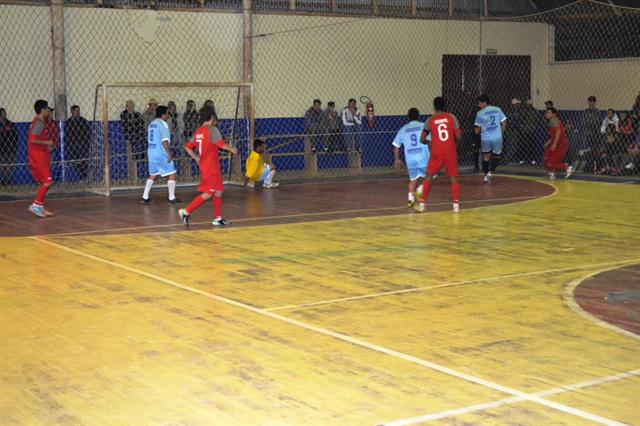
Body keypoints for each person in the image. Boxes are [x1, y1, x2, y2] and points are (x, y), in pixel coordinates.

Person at [179, 106, 238, 227]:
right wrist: (232, 149)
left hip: (208, 165)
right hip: (210, 167)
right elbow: (221, 145)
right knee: (208, 193)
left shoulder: (198, 131)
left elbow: (187, 147)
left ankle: (218, 218)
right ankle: (186, 211)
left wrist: (196, 158)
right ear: (212, 117)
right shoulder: (212, 129)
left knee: (218, 191)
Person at [416, 97, 461, 213]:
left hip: (436, 152)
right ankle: (455, 205)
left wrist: (429, 142)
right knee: (453, 179)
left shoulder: (430, 120)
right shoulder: (452, 118)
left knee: (428, 178)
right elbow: (459, 136)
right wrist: (454, 147)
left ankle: (422, 204)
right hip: (450, 151)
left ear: (434, 107)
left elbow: (422, 139)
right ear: (445, 105)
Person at [140, 105, 181, 204]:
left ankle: (145, 197)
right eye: (167, 114)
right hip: (160, 151)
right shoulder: (163, 124)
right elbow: (164, 141)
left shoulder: (152, 124)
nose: (168, 116)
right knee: (172, 173)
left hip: (151, 151)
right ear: (163, 115)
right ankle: (172, 197)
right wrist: (169, 154)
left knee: (153, 174)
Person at [392, 108, 429, 208]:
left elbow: (396, 145)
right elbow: (431, 140)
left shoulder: (403, 129)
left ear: (408, 117)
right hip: (423, 158)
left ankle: (411, 202)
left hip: (410, 159)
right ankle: (419, 190)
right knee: (430, 177)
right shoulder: (423, 126)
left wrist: (397, 159)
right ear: (418, 116)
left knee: (413, 180)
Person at [27, 100, 56, 217]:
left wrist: (47, 147)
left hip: (40, 154)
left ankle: (39, 206)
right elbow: (32, 140)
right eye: (48, 109)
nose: (49, 111)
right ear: (43, 110)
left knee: (43, 182)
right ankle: (35, 205)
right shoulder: (39, 123)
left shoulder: (40, 122)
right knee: (48, 182)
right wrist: (47, 142)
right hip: (38, 157)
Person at [474, 94, 506, 184]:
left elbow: (478, 129)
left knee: (486, 156)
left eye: (480, 103)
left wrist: (479, 130)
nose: (479, 105)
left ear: (484, 102)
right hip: (497, 137)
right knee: (497, 155)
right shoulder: (497, 109)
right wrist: (501, 133)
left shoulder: (479, 113)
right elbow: (504, 122)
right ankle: (490, 171)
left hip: (485, 138)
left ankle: (485, 175)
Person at [543, 107, 573, 179]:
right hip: (556, 144)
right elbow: (554, 135)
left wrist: (554, 144)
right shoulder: (552, 121)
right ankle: (551, 173)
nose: (546, 114)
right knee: (546, 158)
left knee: (550, 162)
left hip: (561, 145)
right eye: (546, 112)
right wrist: (548, 143)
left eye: (548, 112)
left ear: (553, 114)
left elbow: (558, 132)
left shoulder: (554, 121)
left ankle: (567, 167)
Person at [64, 105, 91, 181]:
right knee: (75, 162)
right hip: (73, 145)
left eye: (79, 110)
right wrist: (69, 146)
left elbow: (87, 133)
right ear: (72, 112)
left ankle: (84, 177)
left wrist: (86, 143)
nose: (78, 112)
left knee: (84, 161)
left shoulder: (83, 121)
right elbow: (67, 135)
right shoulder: (68, 122)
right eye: (76, 111)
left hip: (82, 144)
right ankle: (82, 176)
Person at [120, 100, 146, 164]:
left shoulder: (137, 114)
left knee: (143, 140)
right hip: (129, 134)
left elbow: (141, 124)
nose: (131, 108)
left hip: (137, 134)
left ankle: (142, 157)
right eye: (130, 107)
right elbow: (127, 125)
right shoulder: (123, 114)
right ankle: (133, 158)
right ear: (126, 107)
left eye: (132, 106)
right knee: (131, 144)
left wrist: (139, 132)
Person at [582, 96, 601, 173]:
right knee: (588, 149)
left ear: (595, 102)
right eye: (590, 101)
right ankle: (588, 166)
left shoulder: (597, 111)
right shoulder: (585, 111)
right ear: (588, 102)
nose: (591, 103)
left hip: (595, 133)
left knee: (595, 149)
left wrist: (592, 126)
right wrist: (588, 127)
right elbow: (583, 122)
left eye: (593, 101)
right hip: (588, 132)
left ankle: (595, 166)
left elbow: (597, 122)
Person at [0, 108, 18, 187]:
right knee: (3, 166)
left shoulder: (10, 123)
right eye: (2, 113)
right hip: (1, 149)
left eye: (5, 112)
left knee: (11, 166)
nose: (4, 114)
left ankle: (7, 181)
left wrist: (13, 144)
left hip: (10, 148)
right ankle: (4, 181)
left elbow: (15, 136)